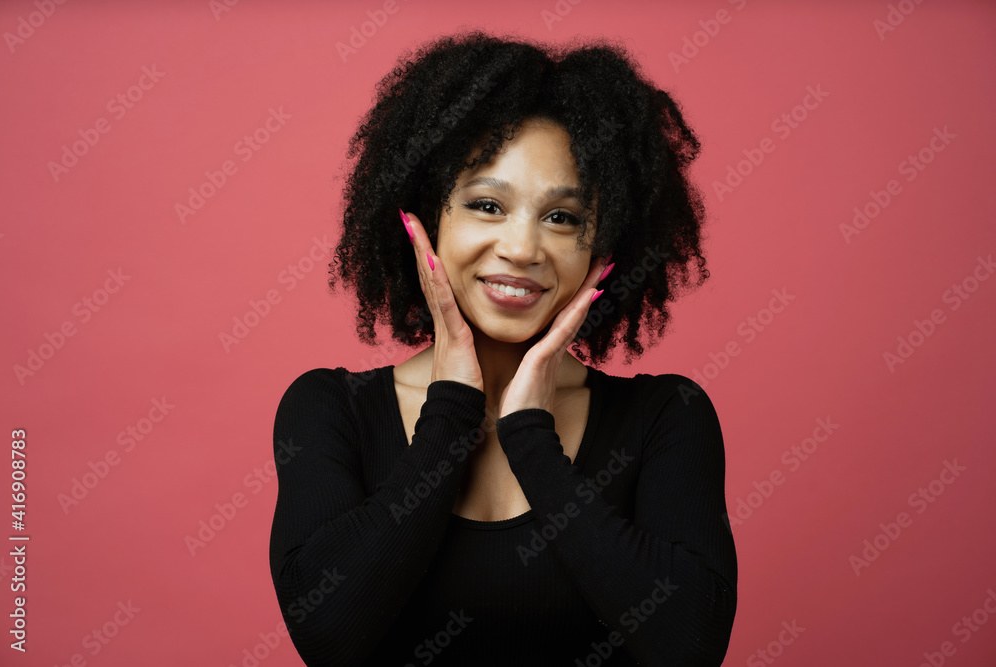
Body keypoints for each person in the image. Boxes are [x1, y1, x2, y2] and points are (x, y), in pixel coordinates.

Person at [269, 29, 737, 666]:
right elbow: (329, 634)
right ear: (426, 219)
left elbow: (688, 646)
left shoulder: (666, 417)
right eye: (487, 204)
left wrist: (529, 435)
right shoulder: (329, 410)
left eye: (562, 217)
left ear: (606, 246)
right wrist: (453, 405)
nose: (521, 248)